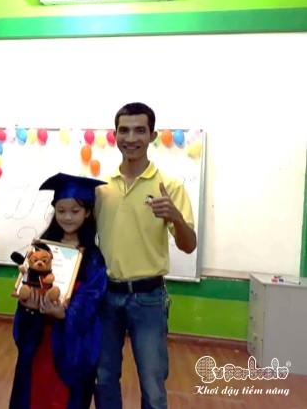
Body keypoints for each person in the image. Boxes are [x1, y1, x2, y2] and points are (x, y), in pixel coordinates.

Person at [94, 102, 197, 409]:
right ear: (115, 135)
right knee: (103, 377)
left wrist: (176, 218)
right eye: (124, 130)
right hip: (106, 296)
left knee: (153, 385)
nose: (131, 138)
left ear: (152, 135)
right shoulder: (101, 188)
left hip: (149, 298)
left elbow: (189, 245)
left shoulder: (169, 187)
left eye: (140, 130)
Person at [9, 173, 107, 409]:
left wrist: (66, 313)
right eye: (61, 211)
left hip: (70, 344)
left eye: (75, 211)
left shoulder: (93, 257)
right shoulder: (42, 248)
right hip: (39, 338)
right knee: (34, 392)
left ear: (87, 212)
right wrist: (29, 305)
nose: (67, 217)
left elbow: (93, 297)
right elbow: (28, 283)